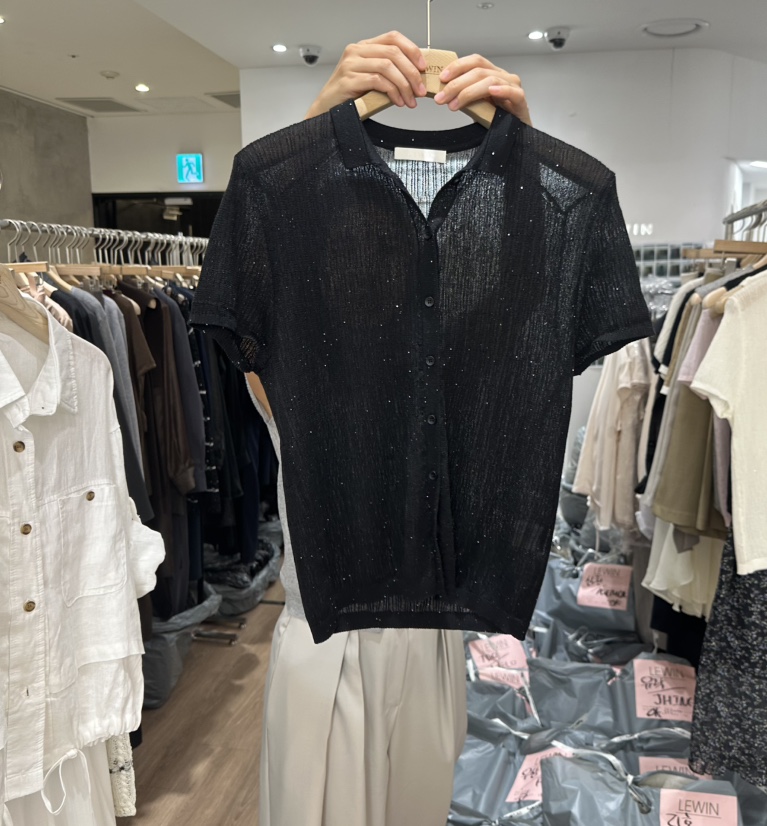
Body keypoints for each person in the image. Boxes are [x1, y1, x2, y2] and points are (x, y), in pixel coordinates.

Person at [246, 32, 533, 826]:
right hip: (329, 644)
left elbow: (526, 315)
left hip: (436, 639)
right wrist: (314, 130)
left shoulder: (459, 360)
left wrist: (523, 160)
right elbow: (259, 279)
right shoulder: (291, 351)